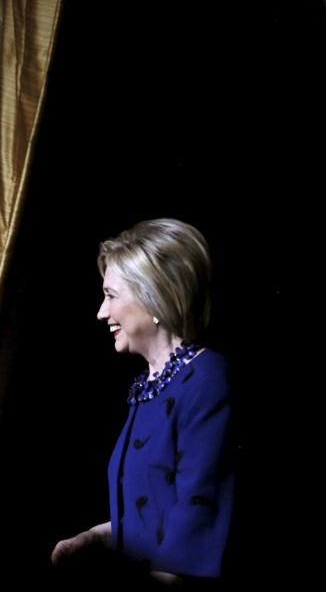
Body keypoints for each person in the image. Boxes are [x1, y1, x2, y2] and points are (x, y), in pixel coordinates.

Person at [51, 218, 236, 585]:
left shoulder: (206, 378)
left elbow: (199, 508)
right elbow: (151, 512)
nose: (102, 312)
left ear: (154, 297)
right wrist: (97, 536)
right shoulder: (149, 387)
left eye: (111, 295)